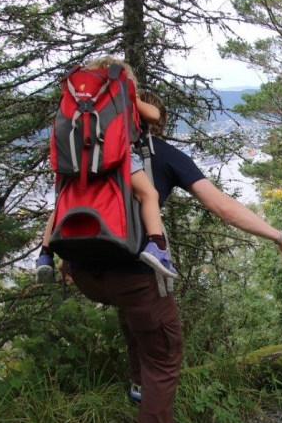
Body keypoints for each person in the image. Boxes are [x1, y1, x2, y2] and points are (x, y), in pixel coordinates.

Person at [62, 87, 282, 423]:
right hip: (134, 276)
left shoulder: (82, 151)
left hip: (86, 274)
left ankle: (138, 386)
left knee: (132, 315)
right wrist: (279, 236)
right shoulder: (160, 154)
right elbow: (222, 206)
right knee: (163, 361)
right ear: (149, 119)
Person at [36, 58, 177, 283]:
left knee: (62, 204)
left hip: (77, 161)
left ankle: (45, 255)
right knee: (149, 194)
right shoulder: (121, 89)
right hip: (117, 158)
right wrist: (133, 97)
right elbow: (154, 115)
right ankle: (156, 245)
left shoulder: (77, 97)